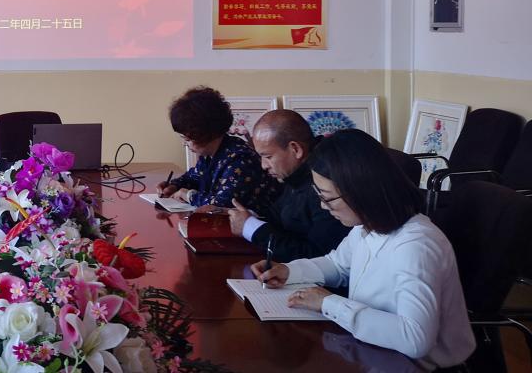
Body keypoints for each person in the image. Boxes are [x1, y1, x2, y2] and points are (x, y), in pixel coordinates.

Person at [252, 129, 475, 370]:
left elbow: (415, 339)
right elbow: (338, 264)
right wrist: (289, 271)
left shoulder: (416, 246)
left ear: (360, 191)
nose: (323, 207)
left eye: (327, 197)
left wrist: (328, 303)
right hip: (372, 350)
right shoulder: (367, 227)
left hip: (412, 365)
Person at [227, 109, 349, 261]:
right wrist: (247, 217)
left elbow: (320, 256)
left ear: (295, 149)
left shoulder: (326, 180)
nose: (264, 166)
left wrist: (250, 227)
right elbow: (278, 217)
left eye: (268, 156)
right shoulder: (295, 174)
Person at [156, 86, 280, 212]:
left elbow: (221, 205)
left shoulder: (240, 159)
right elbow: (193, 177)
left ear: (204, 134)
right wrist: (174, 185)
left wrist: (188, 195)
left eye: (187, 139)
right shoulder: (209, 155)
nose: (184, 144)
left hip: (260, 222)